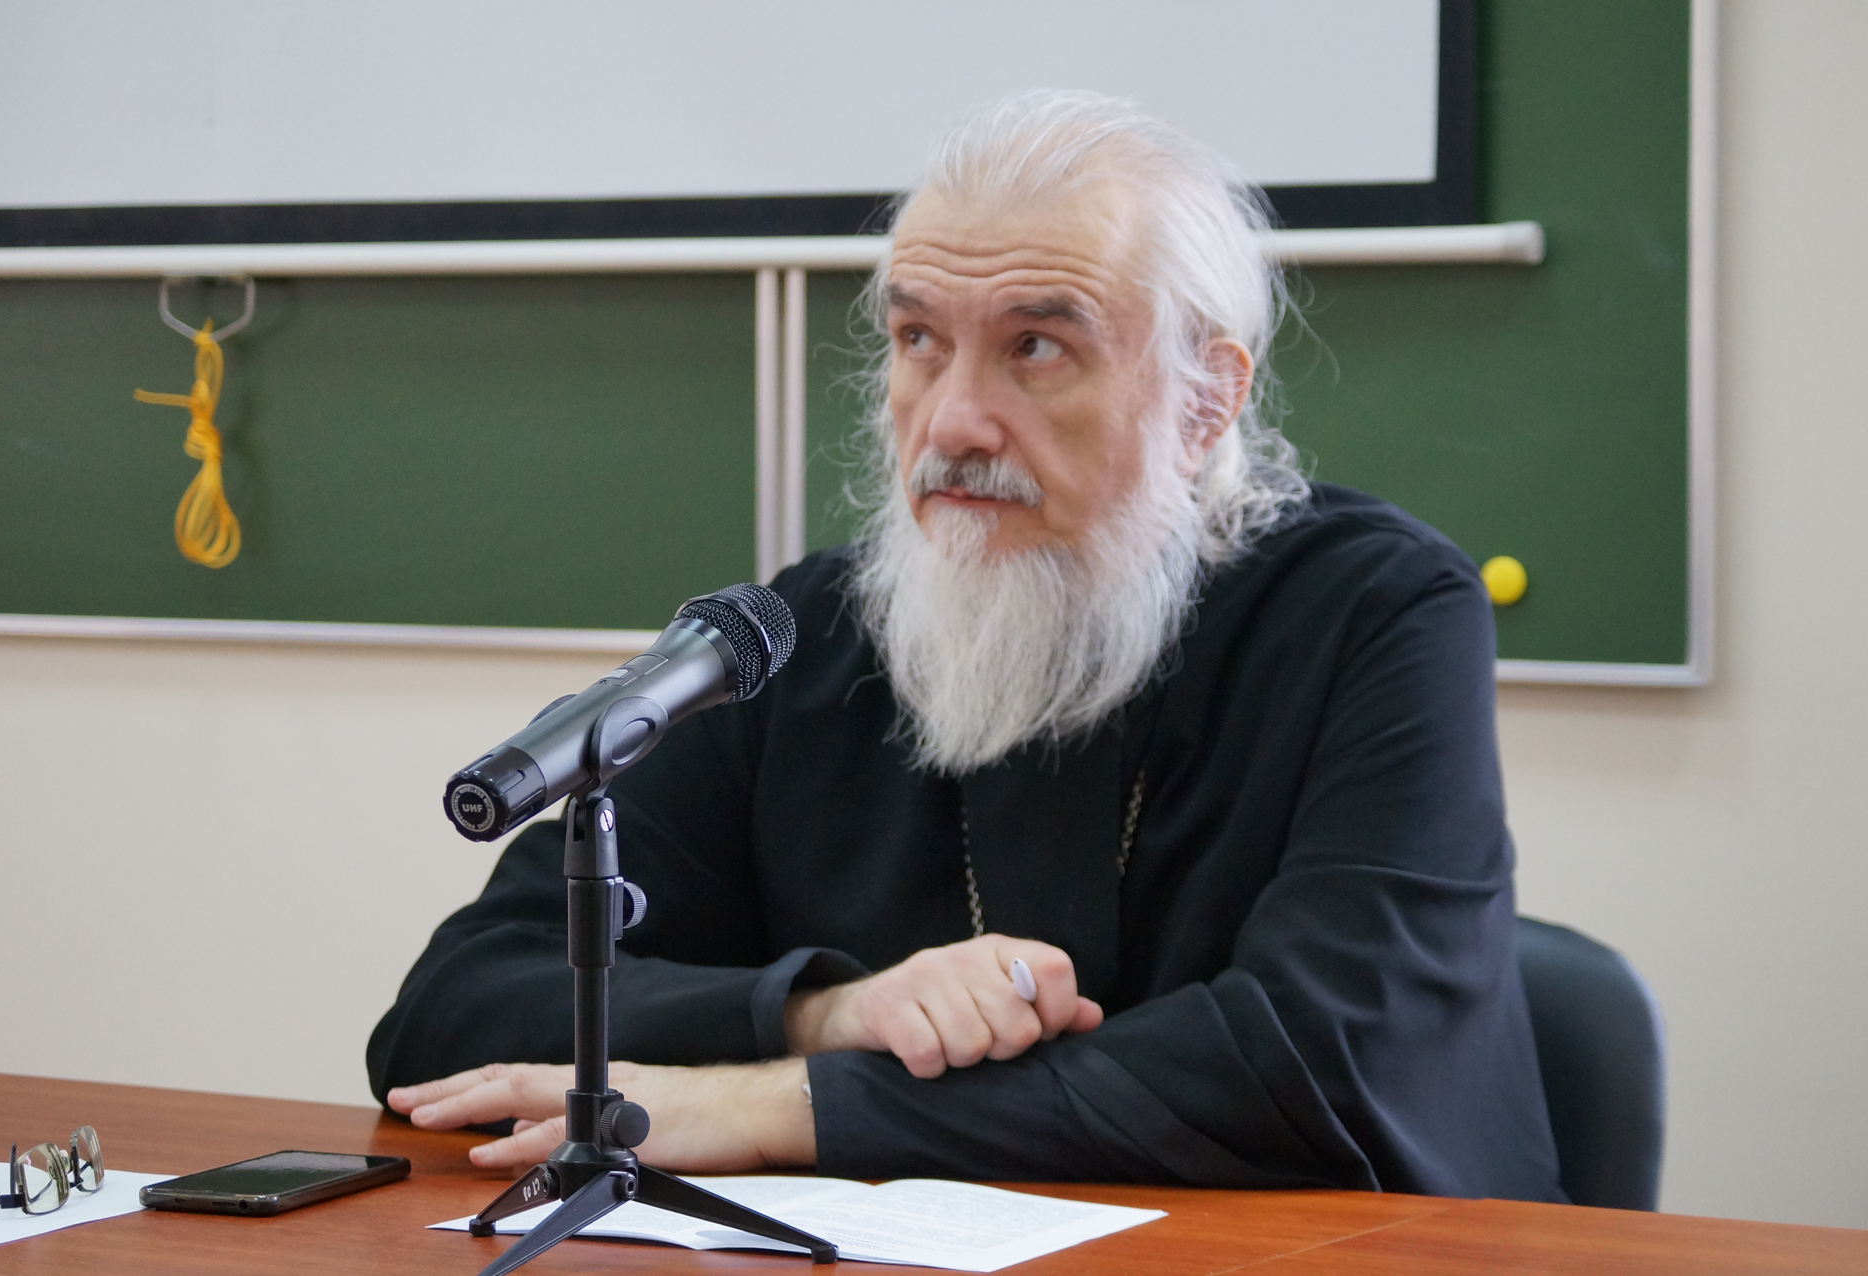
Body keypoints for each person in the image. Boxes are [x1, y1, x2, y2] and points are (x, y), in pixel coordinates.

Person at [368, 90, 1564, 1201]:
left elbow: (1316, 1060)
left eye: (1036, 346)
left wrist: (779, 1105)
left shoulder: (1377, 611)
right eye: (919, 339)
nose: (951, 421)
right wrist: (821, 1014)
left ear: (1206, 397)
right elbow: (449, 1013)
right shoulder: (805, 636)